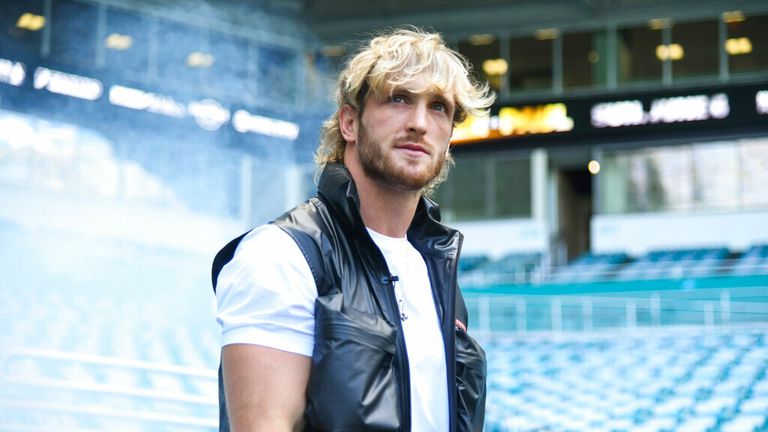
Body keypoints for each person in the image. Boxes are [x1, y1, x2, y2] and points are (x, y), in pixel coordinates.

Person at [212, 26, 495, 432]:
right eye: (398, 99)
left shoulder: (434, 265)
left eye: (438, 107)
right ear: (349, 122)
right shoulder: (281, 255)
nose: (419, 122)